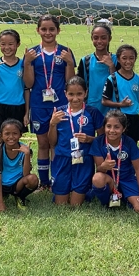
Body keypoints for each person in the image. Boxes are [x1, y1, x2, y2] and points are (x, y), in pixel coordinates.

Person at [24, 15, 76, 190]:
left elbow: (70, 82)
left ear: (58, 31)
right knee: (43, 144)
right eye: (44, 29)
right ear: (38, 30)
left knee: (58, 143)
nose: (48, 33)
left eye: (51, 29)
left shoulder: (65, 52)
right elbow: (29, 84)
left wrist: (69, 63)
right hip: (39, 105)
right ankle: (44, 182)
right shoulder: (32, 53)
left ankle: (57, 179)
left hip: (60, 105)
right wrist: (27, 63)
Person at [48, 77, 104, 206]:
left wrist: (90, 139)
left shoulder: (92, 112)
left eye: (79, 94)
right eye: (71, 94)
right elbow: (52, 142)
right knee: (60, 204)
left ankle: (85, 191)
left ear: (86, 93)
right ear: (65, 93)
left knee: (75, 205)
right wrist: (52, 124)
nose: (75, 98)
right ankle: (64, 190)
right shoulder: (59, 112)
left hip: (83, 160)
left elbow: (102, 140)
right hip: (62, 158)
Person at [87, 110, 139, 214]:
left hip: (127, 179)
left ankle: (126, 197)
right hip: (109, 180)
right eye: (108, 126)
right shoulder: (98, 142)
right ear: (104, 127)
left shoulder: (129, 142)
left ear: (124, 128)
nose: (112, 130)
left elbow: (138, 168)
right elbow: (99, 169)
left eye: (117, 127)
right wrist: (104, 166)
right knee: (97, 178)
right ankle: (108, 200)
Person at [0, 119, 38, 211]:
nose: (11, 137)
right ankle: (1, 196)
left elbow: (26, 174)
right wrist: (0, 203)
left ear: (21, 135)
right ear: (1, 135)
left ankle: (19, 196)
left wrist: (27, 154)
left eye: (15, 133)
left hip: (17, 184)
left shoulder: (25, 149)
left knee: (33, 179)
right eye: (7, 134)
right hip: (0, 183)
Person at [0, 29, 29, 146]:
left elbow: (27, 89)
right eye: (3, 44)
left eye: (11, 44)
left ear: (18, 44)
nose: (7, 47)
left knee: (14, 141)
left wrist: (27, 113)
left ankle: (15, 164)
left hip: (18, 107)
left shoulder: (23, 64)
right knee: (0, 141)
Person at [102, 44, 139, 143]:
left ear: (135, 59)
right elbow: (104, 101)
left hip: (134, 118)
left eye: (131, 58)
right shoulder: (112, 79)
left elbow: (138, 99)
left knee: (132, 145)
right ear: (118, 59)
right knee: (116, 145)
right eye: (124, 58)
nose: (128, 61)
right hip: (118, 118)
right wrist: (120, 104)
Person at [77, 22, 117, 116]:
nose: (99, 41)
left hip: (111, 106)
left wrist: (111, 66)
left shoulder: (116, 60)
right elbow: (80, 84)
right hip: (91, 105)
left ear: (109, 39)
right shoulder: (86, 60)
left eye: (103, 38)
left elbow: (119, 84)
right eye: (96, 38)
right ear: (92, 38)